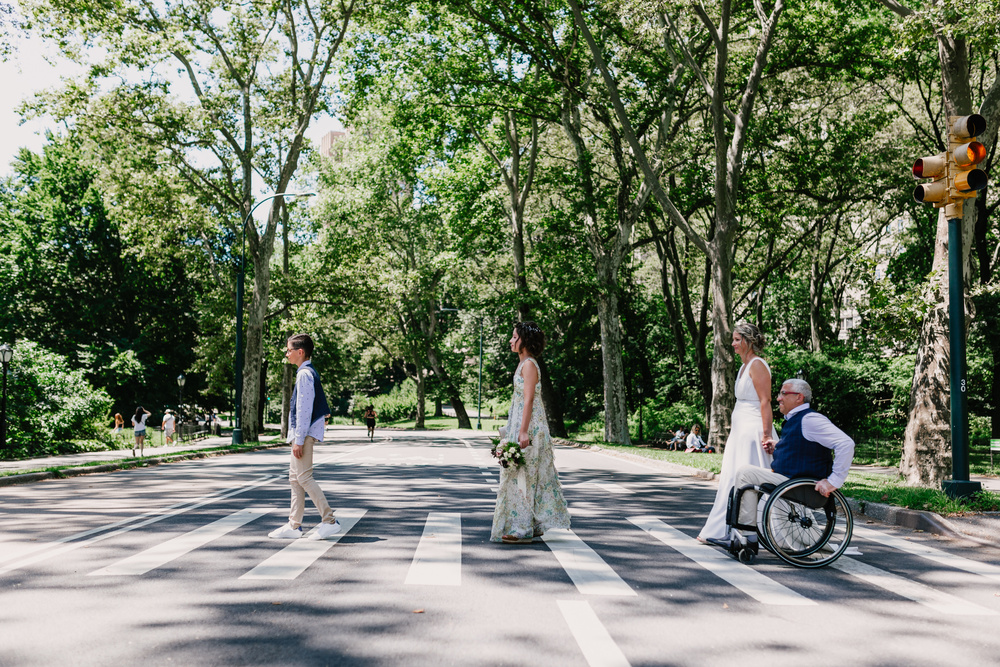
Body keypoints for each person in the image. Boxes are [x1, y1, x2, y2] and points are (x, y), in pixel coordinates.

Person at [727, 378, 855, 548]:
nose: (779, 397)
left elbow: (846, 444)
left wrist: (833, 481)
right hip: (792, 482)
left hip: (804, 488)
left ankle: (746, 537)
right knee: (746, 475)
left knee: (745, 473)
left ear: (799, 397)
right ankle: (743, 534)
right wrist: (779, 446)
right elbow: (804, 446)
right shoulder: (796, 419)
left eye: (783, 393)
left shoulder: (810, 419)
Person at [491, 321, 571, 544]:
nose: (510, 340)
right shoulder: (523, 364)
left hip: (531, 428)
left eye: (514, 336)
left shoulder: (528, 365)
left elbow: (528, 401)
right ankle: (533, 524)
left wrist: (523, 432)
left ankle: (522, 528)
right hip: (522, 425)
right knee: (524, 475)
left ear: (524, 340)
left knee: (523, 476)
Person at [698, 322, 778, 543]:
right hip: (740, 432)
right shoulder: (744, 367)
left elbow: (765, 401)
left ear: (747, 341)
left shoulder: (758, 365)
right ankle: (724, 528)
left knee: (755, 478)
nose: (732, 344)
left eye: (736, 339)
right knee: (732, 478)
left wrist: (766, 435)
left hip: (754, 433)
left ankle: (761, 529)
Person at [268, 333, 341, 541]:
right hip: (301, 434)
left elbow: (304, 410)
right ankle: (294, 525)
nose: (286, 353)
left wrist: (298, 440)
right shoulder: (306, 372)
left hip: (304, 435)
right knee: (295, 479)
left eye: (289, 350)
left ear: (300, 352)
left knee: (304, 477)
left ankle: (329, 521)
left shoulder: (304, 375)